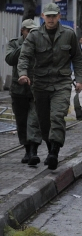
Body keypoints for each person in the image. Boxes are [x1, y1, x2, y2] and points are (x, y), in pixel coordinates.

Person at [17, 3, 82, 170]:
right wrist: (23, 74)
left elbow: (77, 58)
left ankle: (54, 152)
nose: (51, 19)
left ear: (59, 16)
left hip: (61, 83)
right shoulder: (34, 35)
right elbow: (24, 56)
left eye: (54, 16)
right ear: (43, 16)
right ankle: (49, 149)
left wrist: (79, 79)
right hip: (40, 84)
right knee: (43, 121)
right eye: (48, 16)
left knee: (57, 116)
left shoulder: (68, 34)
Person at [5, 19, 43, 166]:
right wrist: (25, 46)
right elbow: (9, 59)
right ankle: (27, 150)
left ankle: (34, 151)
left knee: (34, 120)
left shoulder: (40, 43)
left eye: (34, 31)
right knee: (21, 122)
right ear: (23, 31)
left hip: (36, 89)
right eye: (29, 31)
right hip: (18, 90)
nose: (32, 34)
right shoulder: (15, 43)